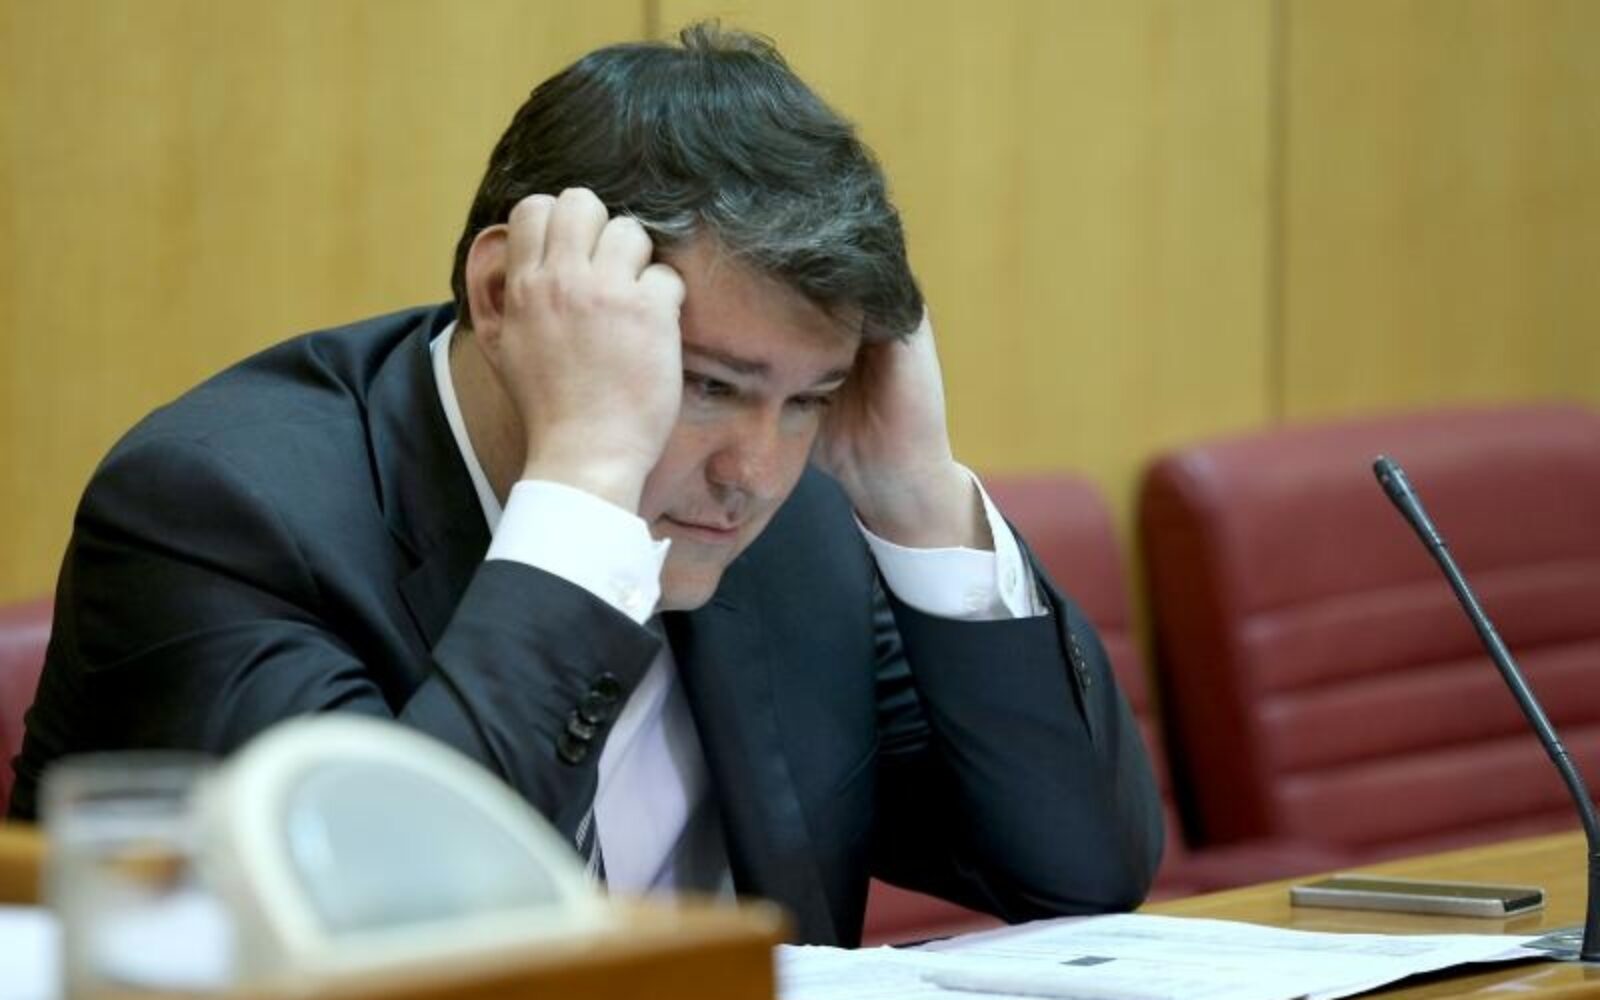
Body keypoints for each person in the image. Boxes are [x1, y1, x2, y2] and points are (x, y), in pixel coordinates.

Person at [10, 24, 1162, 945]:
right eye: (706, 383)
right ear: (506, 298)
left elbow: (1078, 873)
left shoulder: (795, 518)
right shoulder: (217, 514)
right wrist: (585, 487)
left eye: (808, 397)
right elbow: (387, 940)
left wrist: (914, 492)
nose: (755, 472)